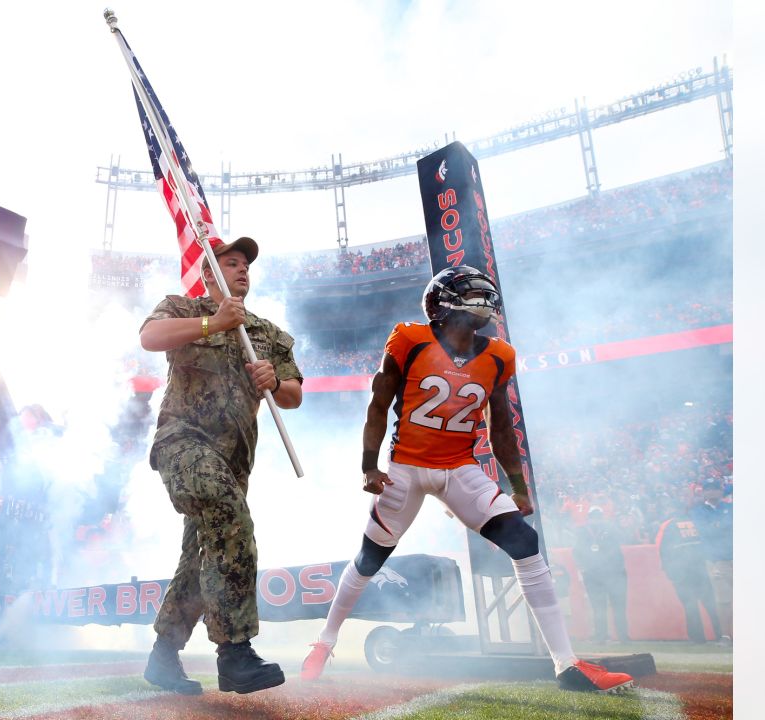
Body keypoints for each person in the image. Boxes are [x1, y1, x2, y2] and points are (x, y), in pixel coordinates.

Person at [300, 266, 632, 693]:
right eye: (468, 291)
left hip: (460, 467)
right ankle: (325, 642)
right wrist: (369, 466)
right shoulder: (409, 339)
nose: (481, 297)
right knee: (369, 559)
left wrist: (518, 485)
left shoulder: (498, 355)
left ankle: (565, 664)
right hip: (405, 468)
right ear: (441, 303)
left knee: (524, 542)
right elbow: (379, 405)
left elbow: (501, 426)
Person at [137, 237, 303, 695]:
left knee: (200, 558)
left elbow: (292, 395)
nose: (242, 269)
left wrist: (273, 380)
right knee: (232, 521)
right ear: (210, 272)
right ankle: (235, 653)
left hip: (233, 464)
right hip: (182, 445)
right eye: (231, 263)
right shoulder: (181, 308)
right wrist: (212, 323)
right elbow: (149, 337)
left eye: (246, 264)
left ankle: (163, 656)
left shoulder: (266, 333)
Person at [655, 514, 720, 643]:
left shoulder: (667, 524)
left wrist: (669, 570)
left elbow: (660, 547)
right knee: (710, 604)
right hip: (701, 568)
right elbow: (710, 542)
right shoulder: (697, 520)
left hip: (682, 571)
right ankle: (722, 635)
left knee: (690, 605)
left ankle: (697, 638)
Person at [573, 507, 630, 643]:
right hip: (593, 576)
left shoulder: (611, 530)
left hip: (615, 574)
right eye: (593, 517)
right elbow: (576, 552)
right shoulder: (581, 532)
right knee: (598, 608)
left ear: (602, 517)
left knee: (619, 607)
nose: (596, 520)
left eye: (598, 516)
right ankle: (600, 637)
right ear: (589, 518)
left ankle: (623, 637)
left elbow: (621, 543)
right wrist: (584, 568)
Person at [690, 477, 732, 642]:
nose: (712, 491)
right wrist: (724, 525)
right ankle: (726, 635)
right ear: (704, 493)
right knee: (723, 600)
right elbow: (706, 531)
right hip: (716, 560)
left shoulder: (731, 507)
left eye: (715, 488)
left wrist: (717, 526)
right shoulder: (697, 511)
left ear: (721, 491)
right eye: (709, 489)